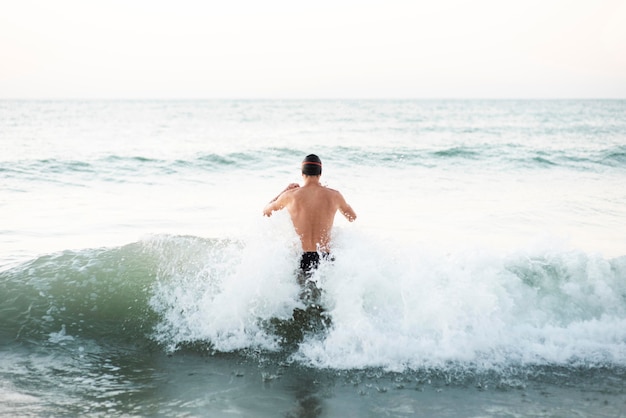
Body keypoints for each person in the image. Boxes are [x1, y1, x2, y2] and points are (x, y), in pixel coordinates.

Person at [263, 154, 357, 278]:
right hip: (324, 258)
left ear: (302, 174)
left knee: (300, 296)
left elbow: (266, 212)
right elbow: (352, 217)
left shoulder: (290, 195)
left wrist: (284, 191)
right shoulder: (334, 195)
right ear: (320, 174)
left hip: (301, 257)